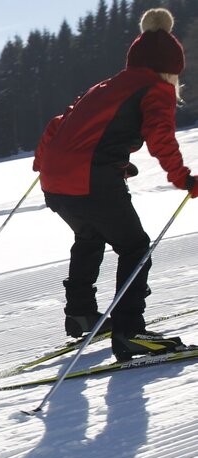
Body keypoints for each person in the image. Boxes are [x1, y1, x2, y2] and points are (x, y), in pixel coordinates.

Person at [33, 7, 196, 362]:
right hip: (88, 178)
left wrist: (45, 164)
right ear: (171, 67)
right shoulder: (157, 88)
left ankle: (81, 316)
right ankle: (129, 332)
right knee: (135, 246)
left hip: (55, 180)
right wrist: (184, 179)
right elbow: (161, 138)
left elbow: (58, 123)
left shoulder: (107, 85)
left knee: (89, 236)